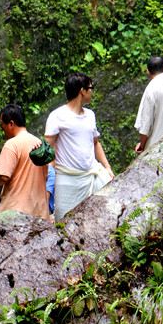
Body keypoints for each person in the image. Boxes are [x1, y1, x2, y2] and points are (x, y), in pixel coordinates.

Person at [44, 74, 114, 221]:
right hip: (67, 179)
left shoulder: (90, 115)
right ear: (82, 91)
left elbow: (95, 143)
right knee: (64, 223)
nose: (92, 92)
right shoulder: (57, 116)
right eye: (91, 88)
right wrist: (49, 178)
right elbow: (48, 150)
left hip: (93, 174)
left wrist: (107, 168)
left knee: (103, 217)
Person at [0, 103, 50, 220]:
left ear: (11, 124)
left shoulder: (11, 144)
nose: (2, 129)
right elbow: (45, 176)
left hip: (15, 215)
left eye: (2, 125)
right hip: (39, 214)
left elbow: (3, 177)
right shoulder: (39, 144)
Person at [134, 56, 163, 153]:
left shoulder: (152, 89)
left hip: (154, 148)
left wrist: (142, 146)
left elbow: (145, 125)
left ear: (147, 71)